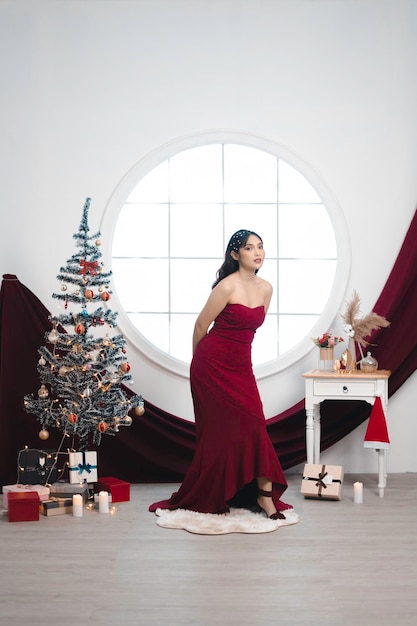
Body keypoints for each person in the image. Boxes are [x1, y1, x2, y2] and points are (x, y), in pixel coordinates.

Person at [149, 229, 292, 518]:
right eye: (250, 248)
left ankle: (265, 497)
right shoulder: (227, 287)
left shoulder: (266, 288)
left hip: (241, 367)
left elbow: (250, 330)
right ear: (235, 254)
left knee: (254, 426)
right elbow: (201, 326)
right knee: (218, 434)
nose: (258, 252)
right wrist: (197, 365)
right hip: (211, 366)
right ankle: (217, 493)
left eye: (261, 247)